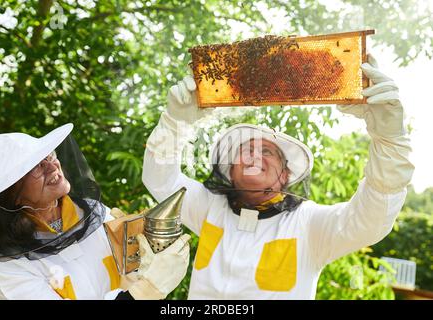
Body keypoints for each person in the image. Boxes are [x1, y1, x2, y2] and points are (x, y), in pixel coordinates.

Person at [142, 54, 415, 299]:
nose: (254, 155)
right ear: (230, 171)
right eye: (246, 150)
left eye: (268, 152)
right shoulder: (208, 207)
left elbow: (371, 221)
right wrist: (175, 122)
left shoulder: (310, 223)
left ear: (285, 175)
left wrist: (389, 141)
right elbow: (160, 180)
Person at [0, 124, 190, 300]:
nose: (52, 166)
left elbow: (131, 272)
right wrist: (148, 290)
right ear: (10, 194)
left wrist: (144, 265)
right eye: (35, 166)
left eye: (49, 156)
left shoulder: (94, 215)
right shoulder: (0, 266)